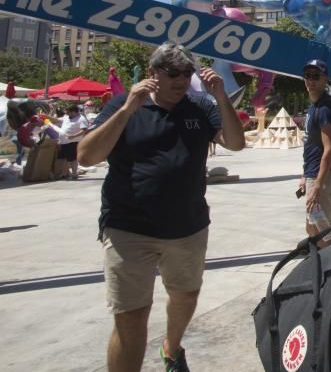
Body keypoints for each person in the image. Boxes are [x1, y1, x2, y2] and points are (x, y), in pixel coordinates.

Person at [78, 42, 245, 372]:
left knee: (185, 297)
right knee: (131, 316)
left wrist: (221, 97)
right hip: (128, 228)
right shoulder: (124, 106)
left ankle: (172, 347)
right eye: (173, 73)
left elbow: (236, 143)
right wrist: (127, 110)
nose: (182, 80)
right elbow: (86, 156)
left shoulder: (201, 107)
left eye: (187, 73)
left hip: (187, 228)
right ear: (153, 73)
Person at [298, 58, 331, 248]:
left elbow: (329, 148)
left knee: (322, 232)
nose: (311, 80)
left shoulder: (326, 108)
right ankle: (320, 265)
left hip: (321, 176)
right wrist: (304, 175)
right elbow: (311, 144)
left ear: (326, 79)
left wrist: (318, 184)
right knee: (312, 227)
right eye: (308, 76)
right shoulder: (313, 107)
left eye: (316, 76)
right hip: (312, 173)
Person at [55, 104, 89, 180]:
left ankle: (74, 174)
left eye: (69, 112)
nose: (68, 114)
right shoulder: (67, 117)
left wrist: (73, 136)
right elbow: (57, 120)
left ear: (74, 112)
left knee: (72, 159)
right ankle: (64, 173)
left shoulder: (81, 119)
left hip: (73, 142)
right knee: (62, 158)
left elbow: (84, 130)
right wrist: (46, 118)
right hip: (63, 142)